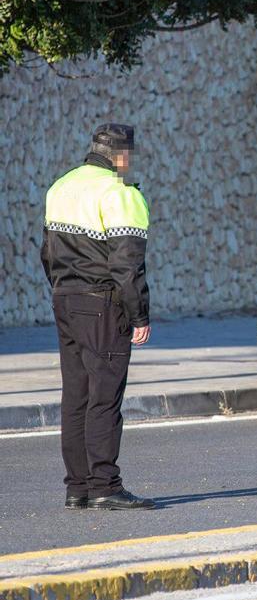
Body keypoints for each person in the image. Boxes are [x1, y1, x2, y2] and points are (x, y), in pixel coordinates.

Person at [41, 123, 154, 510]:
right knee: (104, 396)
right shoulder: (120, 193)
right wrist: (139, 315)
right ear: (122, 156)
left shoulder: (61, 187)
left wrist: (62, 290)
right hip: (103, 304)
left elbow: (47, 253)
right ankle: (105, 484)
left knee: (75, 395)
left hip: (64, 298)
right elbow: (127, 265)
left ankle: (78, 488)